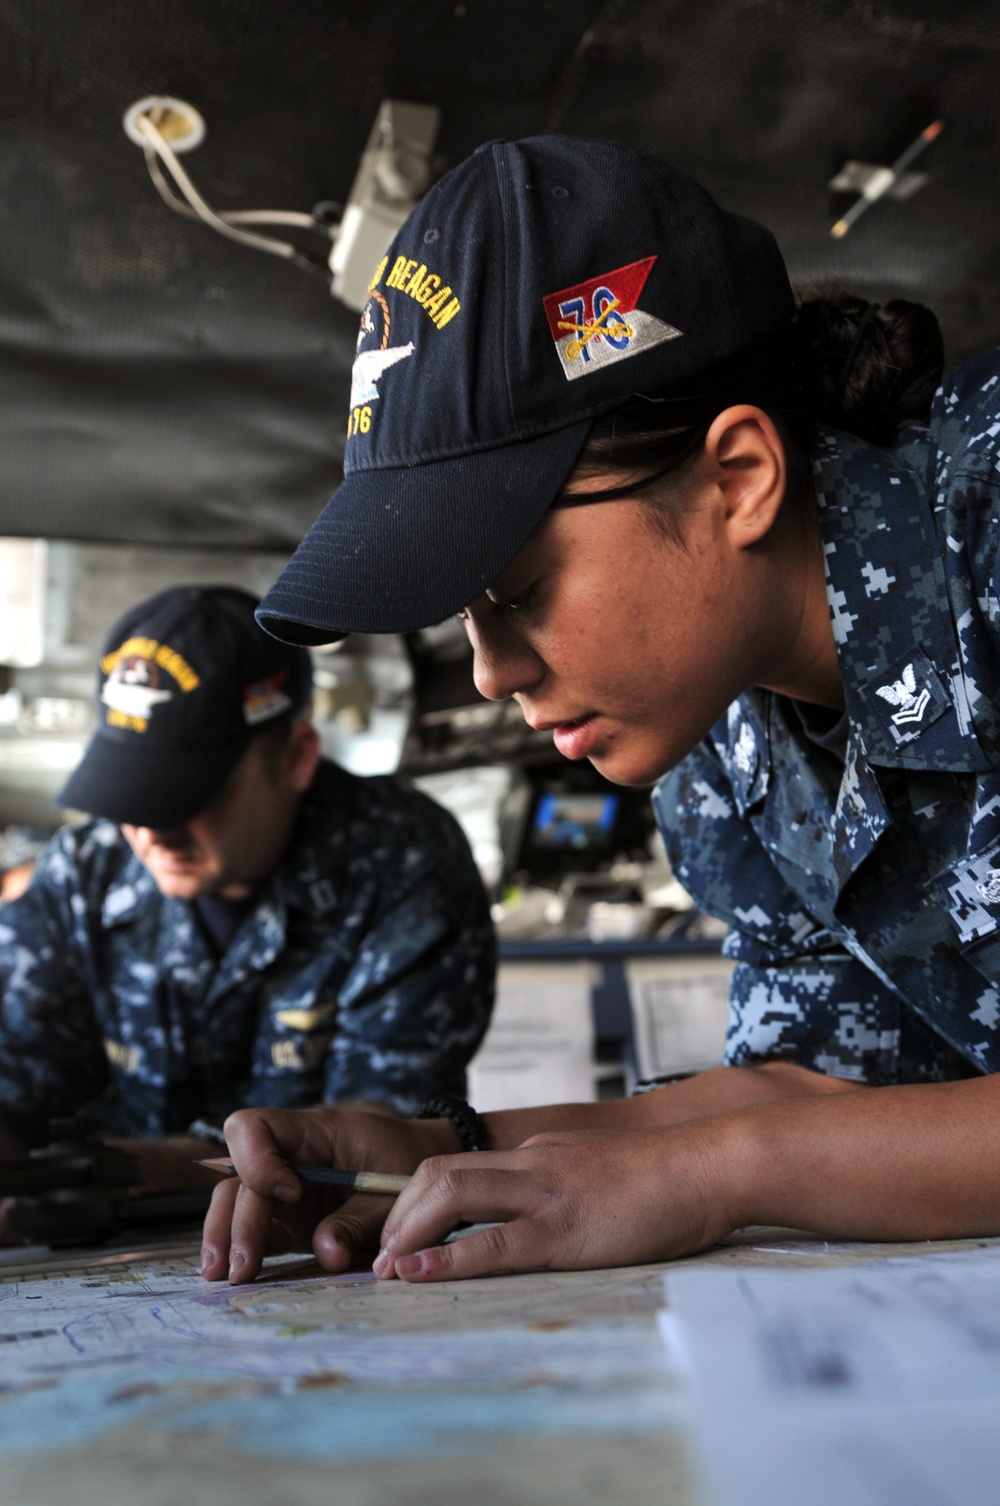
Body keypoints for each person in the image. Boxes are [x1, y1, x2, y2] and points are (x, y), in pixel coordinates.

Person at [201, 134, 1000, 1289]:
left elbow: (762, 1147)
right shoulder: (717, 732)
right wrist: (440, 1148)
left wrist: (714, 1176)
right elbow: (830, 1083)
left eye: (520, 589)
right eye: (465, 616)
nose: (489, 672)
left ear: (737, 478)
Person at [0, 585, 495, 1200]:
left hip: (322, 1241)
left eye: (187, 794)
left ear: (296, 758)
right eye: (131, 792)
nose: (152, 832)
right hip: (107, 1244)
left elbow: (381, 1140)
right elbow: (16, 1081)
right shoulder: (84, 873)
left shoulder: (403, 860)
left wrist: (133, 1171)